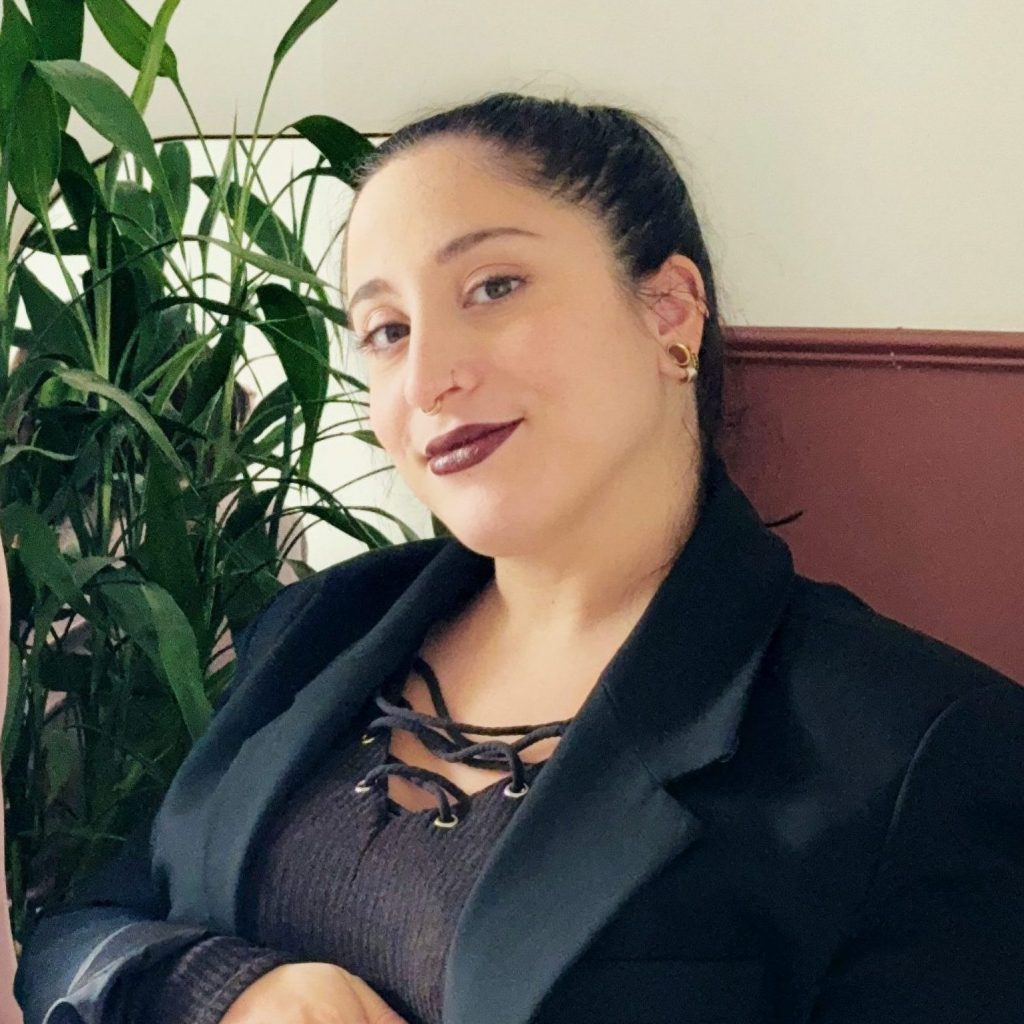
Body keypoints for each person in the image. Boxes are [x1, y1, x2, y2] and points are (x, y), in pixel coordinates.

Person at [13, 92, 1024, 1024]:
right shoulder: (317, 626)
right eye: (386, 330)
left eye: (492, 287)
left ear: (669, 310)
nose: (428, 376)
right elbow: (82, 933)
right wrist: (229, 991)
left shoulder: (918, 748)